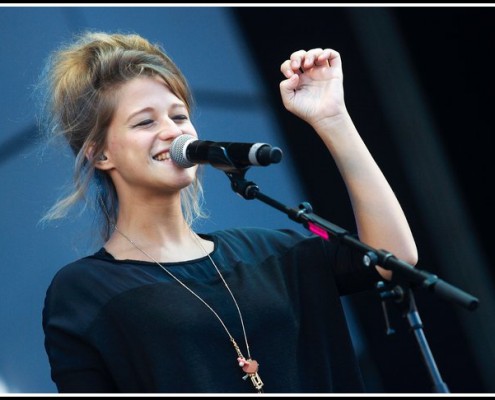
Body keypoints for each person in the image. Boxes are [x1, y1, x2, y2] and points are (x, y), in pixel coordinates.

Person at [39, 30, 418, 394]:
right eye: (145, 122)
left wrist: (333, 119)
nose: (172, 131)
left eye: (179, 116)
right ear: (99, 153)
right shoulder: (86, 291)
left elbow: (393, 258)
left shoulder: (268, 252)